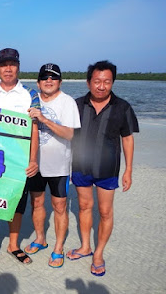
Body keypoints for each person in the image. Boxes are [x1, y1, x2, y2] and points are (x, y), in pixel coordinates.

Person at [66, 60, 139, 277]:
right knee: (84, 207)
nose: (101, 86)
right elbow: (64, 130)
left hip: (108, 169)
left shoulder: (123, 107)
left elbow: (127, 139)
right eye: (97, 81)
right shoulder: (77, 105)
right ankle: (85, 247)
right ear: (88, 82)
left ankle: (98, 253)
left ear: (112, 82)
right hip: (80, 166)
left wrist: (129, 170)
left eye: (107, 81)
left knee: (105, 212)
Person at [0, 48, 40, 266]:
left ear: (18, 66)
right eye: (4, 64)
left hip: (19, 160)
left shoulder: (30, 95)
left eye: (12, 64)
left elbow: (35, 129)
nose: (8, 68)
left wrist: (33, 160)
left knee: (17, 204)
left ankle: (13, 244)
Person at [23, 63, 81, 268]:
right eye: (44, 77)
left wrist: (44, 119)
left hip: (59, 166)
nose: (49, 80)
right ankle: (40, 239)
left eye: (53, 77)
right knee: (36, 203)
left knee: (59, 206)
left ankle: (58, 248)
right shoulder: (29, 99)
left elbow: (70, 134)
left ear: (60, 82)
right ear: (38, 82)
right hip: (34, 165)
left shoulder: (68, 103)